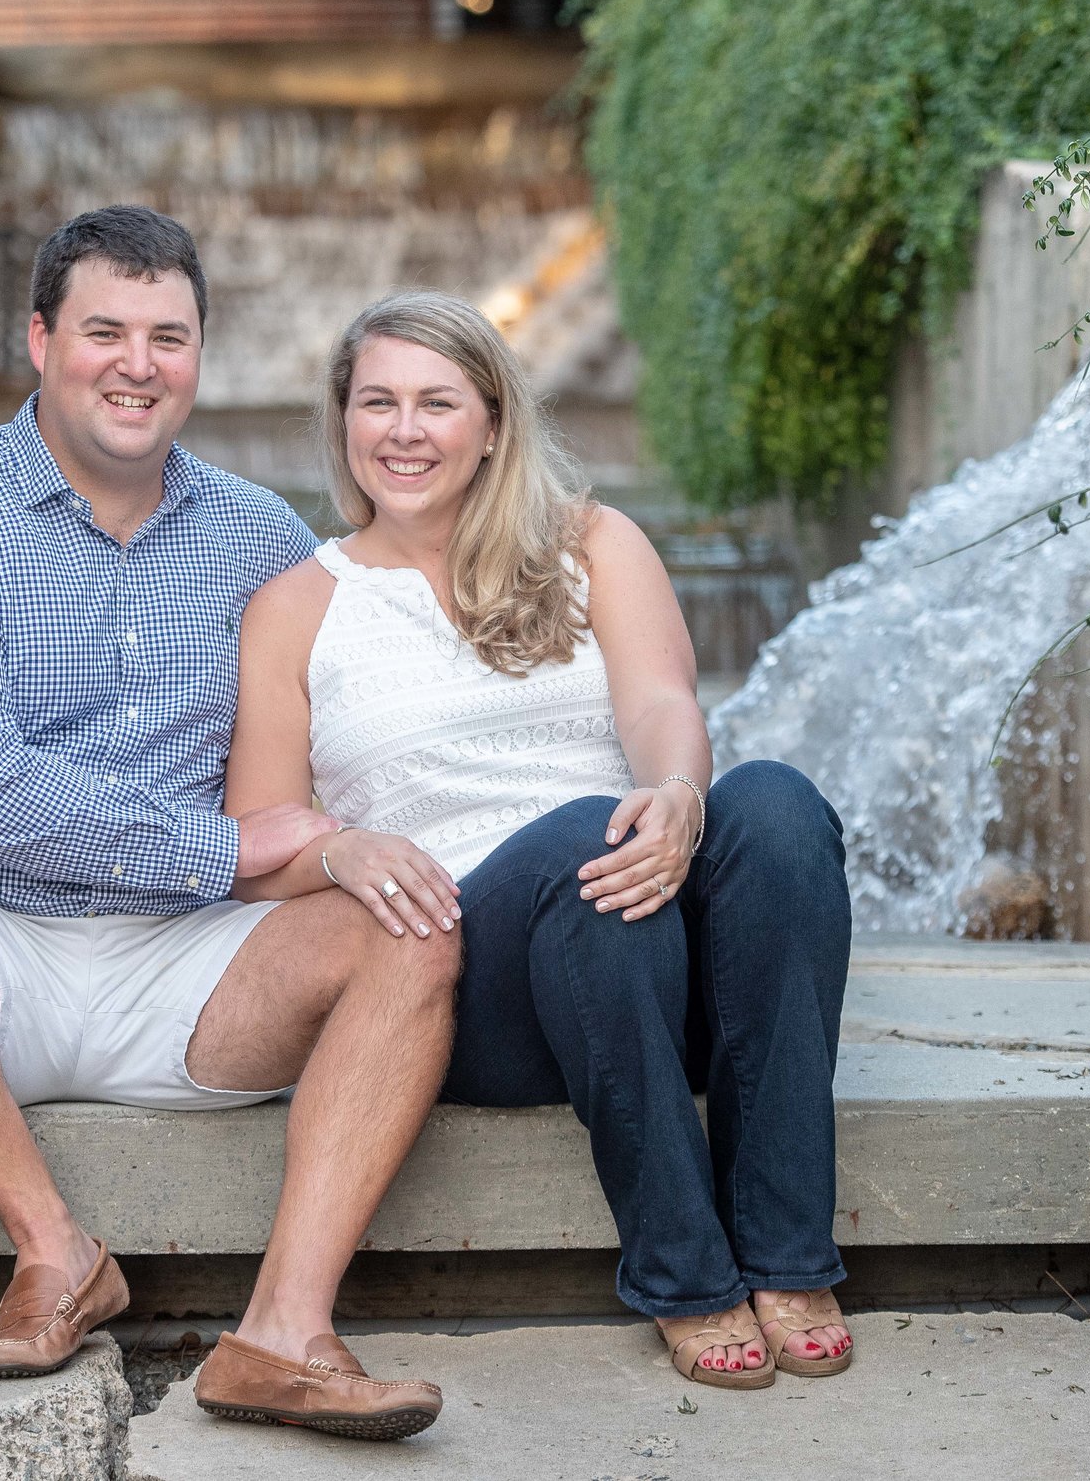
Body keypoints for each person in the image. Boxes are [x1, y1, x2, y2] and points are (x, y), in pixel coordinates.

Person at [0, 207, 453, 1441]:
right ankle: (55, 1252)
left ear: (200, 354)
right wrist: (233, 845)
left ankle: (281, 1337)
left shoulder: (261, 535)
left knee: (406, 920)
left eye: (168, 336)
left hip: (193, 960)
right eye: (103, 331)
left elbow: (344, 729)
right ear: (39, 339)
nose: (137, 363)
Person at [223, 290, 856, 1395]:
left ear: (494, 424)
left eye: (436, 402)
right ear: (341, 421)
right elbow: (255, 843)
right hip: (482, 985)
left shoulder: (592, 541)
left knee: (776, 805)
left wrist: (675, 794)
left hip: (645, 940)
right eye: (377, 402)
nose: (405, 430)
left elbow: (663, 703)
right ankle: (685, 1275)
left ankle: (789, 1260)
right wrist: (343, 851)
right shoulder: (296, 605)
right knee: (571, 838)